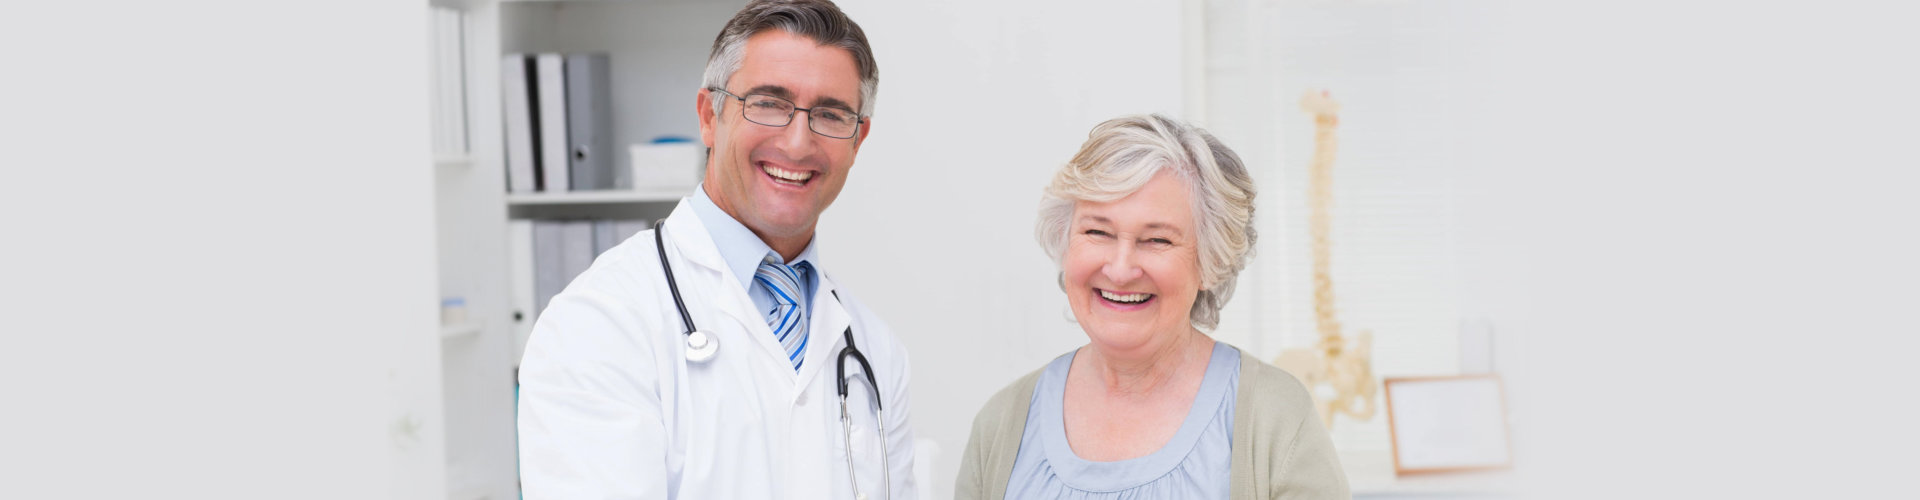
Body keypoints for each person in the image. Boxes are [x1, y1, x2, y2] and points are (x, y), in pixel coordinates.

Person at [516, 1, 916, 499]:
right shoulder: (599, 322)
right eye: (769, 103)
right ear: (710, 115)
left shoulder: (875, 352)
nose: (797, 142)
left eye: (831, 114)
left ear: (857, 141)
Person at [954, 114, 1349, 500]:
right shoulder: (1003, 422)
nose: (1121, 269)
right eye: (1097, 232)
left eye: (1157, 240)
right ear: (1064, 242)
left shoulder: (1276, 418)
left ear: (1210, 262)